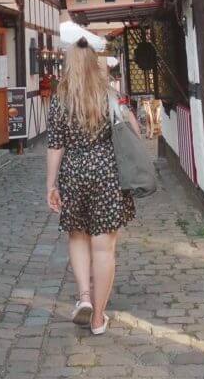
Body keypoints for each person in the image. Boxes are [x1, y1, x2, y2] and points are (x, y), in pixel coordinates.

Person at [46, 35, 139, 335]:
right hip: (106, 173)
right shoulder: (107, 94)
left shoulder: (60, 98)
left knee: (77, 236)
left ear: (68, 64)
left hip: (74, 172)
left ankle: (84, 298)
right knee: (103, 248)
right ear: (93, 63)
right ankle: (98, 318)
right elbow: (134, 131)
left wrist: (51, 184)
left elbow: (55, 145)